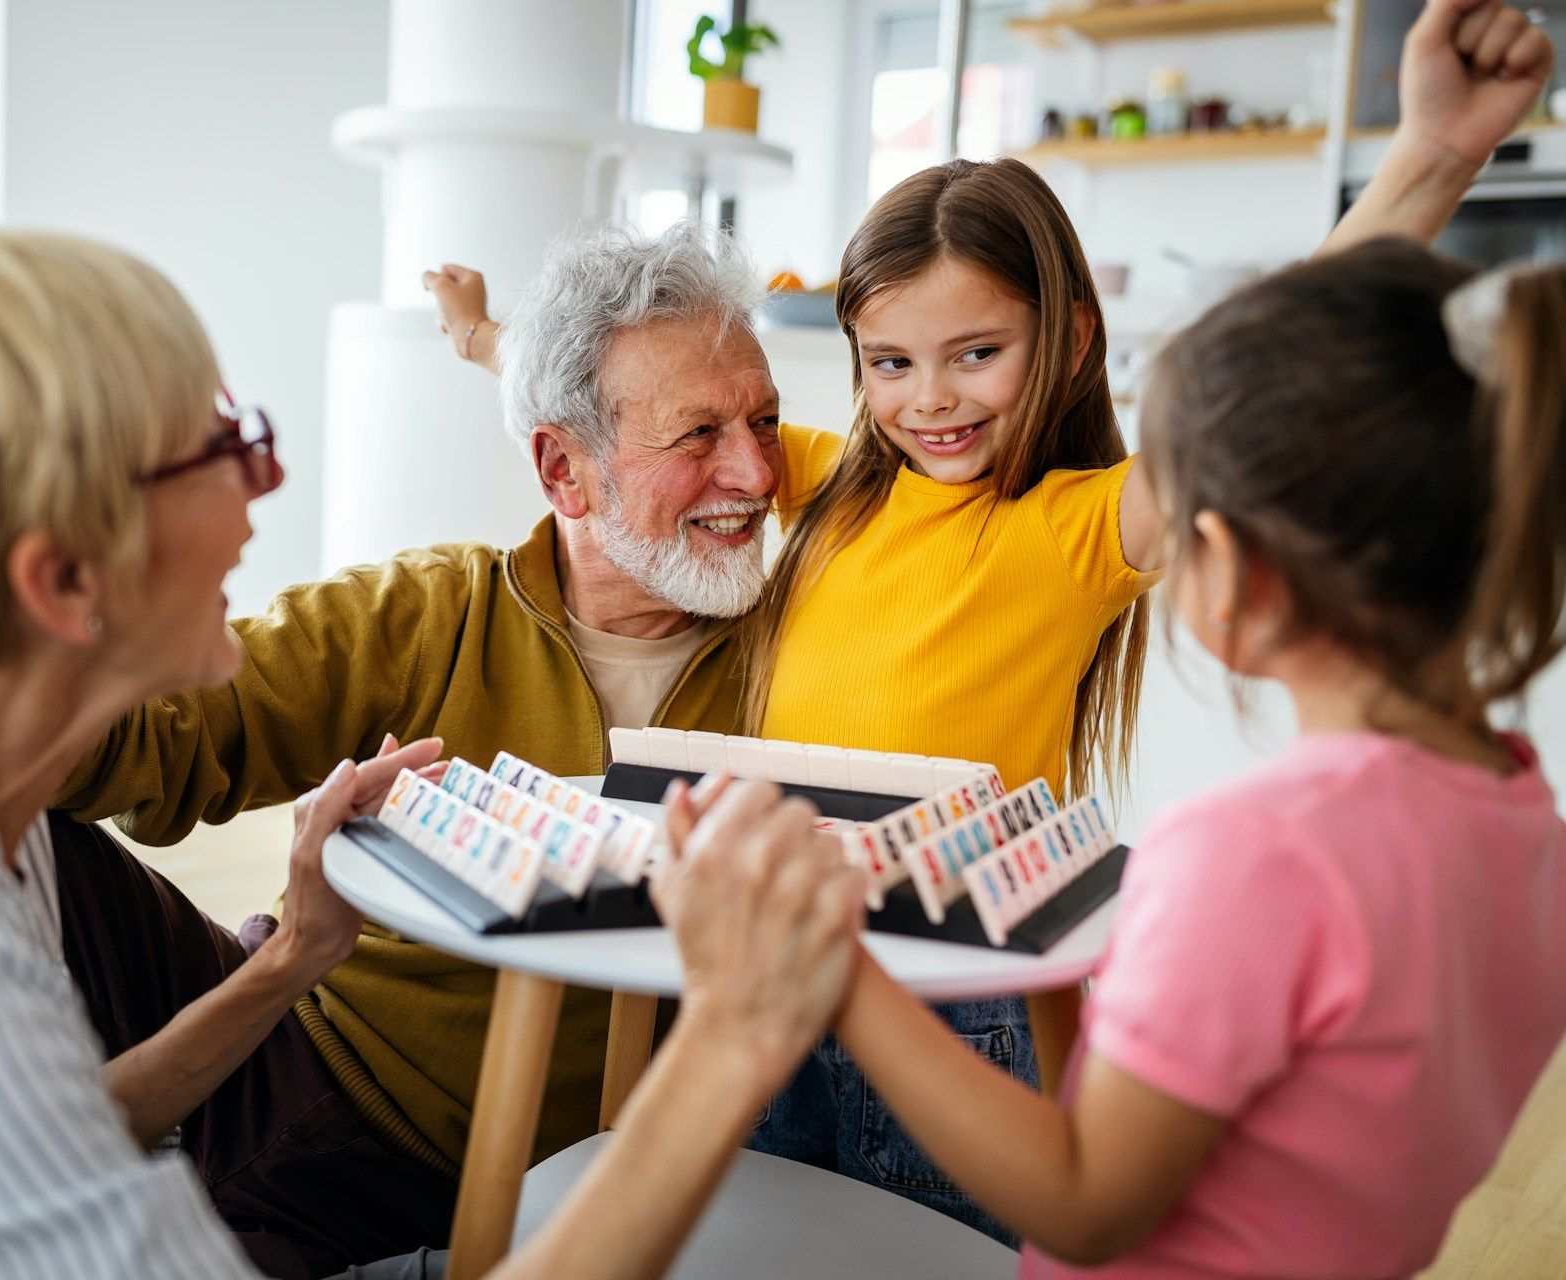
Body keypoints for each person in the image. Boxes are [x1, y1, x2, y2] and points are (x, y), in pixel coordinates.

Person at [422, 0, 1553, 1241]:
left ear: (1066, 343)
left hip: (955, 984)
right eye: (890, 362)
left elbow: (1275, 376)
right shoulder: (828, 478)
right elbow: (632, 407)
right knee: (755, 1241)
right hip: (775, 948)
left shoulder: (1076, 526)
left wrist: (1434, 154)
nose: (929, 399)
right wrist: (485, 337)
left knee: (931, 1253)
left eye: (976, 353)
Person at [0, 223, 870, 1280]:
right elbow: (174, 752)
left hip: (314, 1041)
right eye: (225, 443)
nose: (263, 491)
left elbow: (73, 1124)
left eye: (766, 423)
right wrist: (735, 1038)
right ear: (61, 576)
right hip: (322, 1078)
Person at [823, 238, 1566, 1277]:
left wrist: (829, 957)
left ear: (1230, 557)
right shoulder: (1530, 818)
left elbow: (1085, 1203)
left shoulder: (1258, 853)